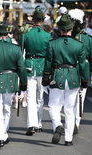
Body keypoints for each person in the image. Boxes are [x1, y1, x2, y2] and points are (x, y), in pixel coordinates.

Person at [42, 14, 88, 146]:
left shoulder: (52, 44)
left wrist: (45, 79)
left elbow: (48, 63)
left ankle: (57, 125)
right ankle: (68, 139)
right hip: (73, 77)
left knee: (53, 106)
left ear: (59, 29)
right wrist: (84, 81)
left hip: (57, 75)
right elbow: (83, 64)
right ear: (72, 28)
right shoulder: (79, 45)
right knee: (69, 109)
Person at [20, 8, 52, 136]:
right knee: (40, 97)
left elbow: (21, 52)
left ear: (33, 20)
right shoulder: (47, 35)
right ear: (43, 21)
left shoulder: (25, 34)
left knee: (31, 97)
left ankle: (32, 124)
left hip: (29, 66)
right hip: (42, 67)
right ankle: (38, 123)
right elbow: (50, 55)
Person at [68, 9, 92, 135]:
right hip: (84, 70)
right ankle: (76, 123)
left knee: (69, 99)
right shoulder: (88, 39)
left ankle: (71, 123)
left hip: (70, 70)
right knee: (80, 99)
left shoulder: (68, 37)